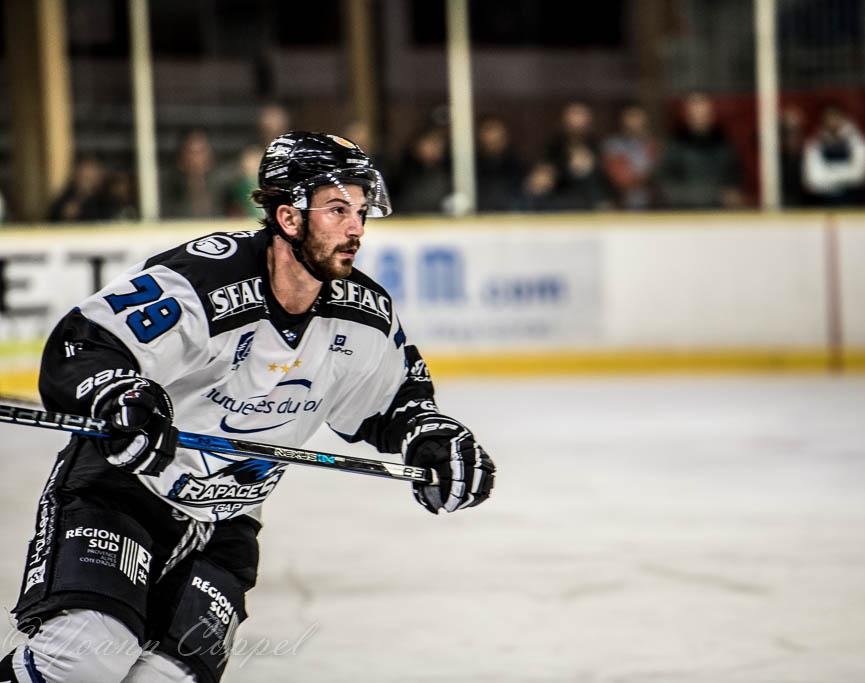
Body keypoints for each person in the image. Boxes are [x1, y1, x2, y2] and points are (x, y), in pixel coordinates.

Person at [1, 132, 496, 683]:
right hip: (122, 492)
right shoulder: (204, 280)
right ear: (289, 217)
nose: (356, 228)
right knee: (83, 661)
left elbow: (395, 403)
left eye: (360, 211)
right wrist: (121, 394)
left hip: (229, 521)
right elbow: (85, 342)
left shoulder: (365, 314)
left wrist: (433, 438)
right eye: (337, 209)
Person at [656, 92, 745, 209]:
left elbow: (734, 177)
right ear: (688, 116)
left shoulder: (724, 143)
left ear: (711, 115)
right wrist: (705, 196)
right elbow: (666, 182)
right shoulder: (675, 144)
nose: (700, 119)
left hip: (718, 212)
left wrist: (730, 193)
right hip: (684, 212)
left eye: (704, 114)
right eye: (695, 115)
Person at [802, 102, 865, 206]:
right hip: (822, 202)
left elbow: (859, 175)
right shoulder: (814, 143)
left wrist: (827, 173)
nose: (832, 121)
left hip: (852, 202)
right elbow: (812, 180)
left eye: (835, 116)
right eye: (828, 118)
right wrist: (845, 174)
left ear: (843, 117)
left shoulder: (858, 141)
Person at [602, 103, 659, 210]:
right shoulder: (612, 144)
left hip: (649, 203)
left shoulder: (651, 145)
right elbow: (618, 177)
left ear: (644, 119)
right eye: (630, 117)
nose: (634, 122)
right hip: (619, 200)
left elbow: (653, 172)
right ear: (622, 119)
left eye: (637, 117)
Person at [162, 129, 222, 219]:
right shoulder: (168, 186)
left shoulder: (222, 184)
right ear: (181, 156)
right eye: (191, 153)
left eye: (201, 152)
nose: (195, 159)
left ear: (210, 155)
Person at [391, 126, 451, 214]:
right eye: (429, 143)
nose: (434, 148)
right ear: (417, 145)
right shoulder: (403, 172)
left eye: (438, 143)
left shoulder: (448, 171)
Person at [474, 115, 524, 212]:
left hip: (509, 213)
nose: (494, 136)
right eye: (489, 130)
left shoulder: (515, 163)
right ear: (480, 135)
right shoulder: (472, 164)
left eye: (498, 132)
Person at [49, 155, 112, 222]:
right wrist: (63, 215)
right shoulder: (66, 197)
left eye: (89, 175)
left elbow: (108, 219)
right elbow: (50, 221)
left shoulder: (105, 198)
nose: (86, 178)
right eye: (82, 174)